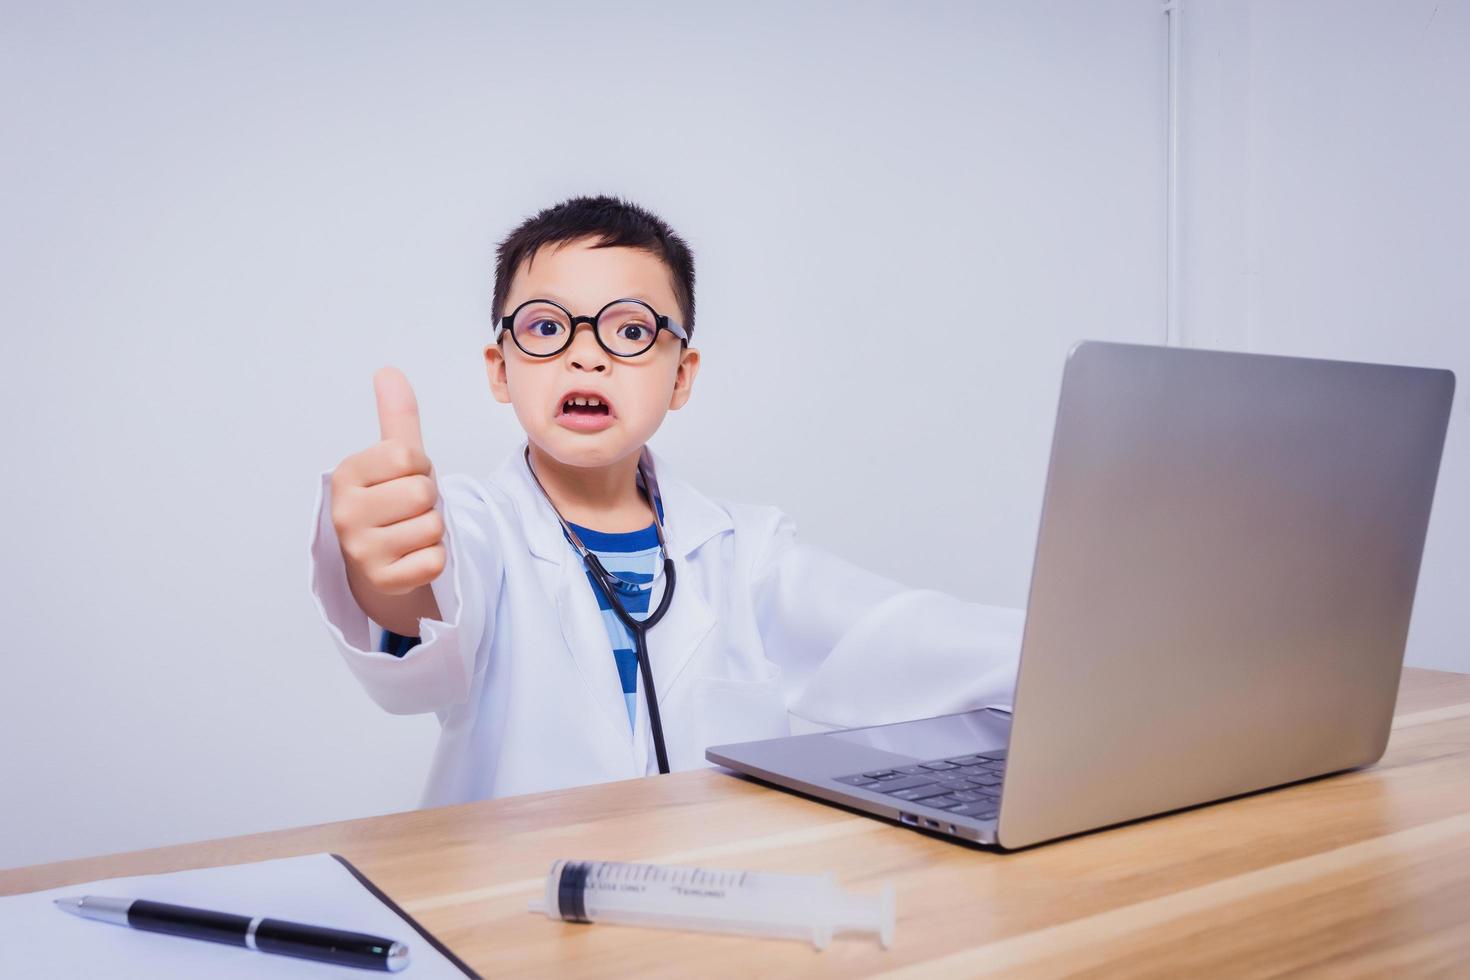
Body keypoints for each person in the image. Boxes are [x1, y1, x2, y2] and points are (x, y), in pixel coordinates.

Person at [306, 194, 1023, 808]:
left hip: (701, 916)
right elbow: (429, 599)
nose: (586, 355)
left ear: (682, 375)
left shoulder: (747, 551)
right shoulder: (471, 521)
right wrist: (384, 567)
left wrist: (1069, 653)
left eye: (630, 330)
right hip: (508, 911)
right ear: (502, 368)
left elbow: (899, 634)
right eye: (547, 328)